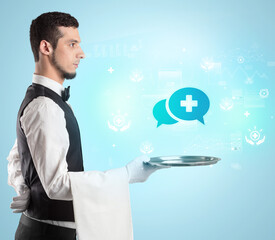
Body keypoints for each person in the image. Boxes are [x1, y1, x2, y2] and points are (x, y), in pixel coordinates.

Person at [7, 11, 168, 240]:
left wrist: (23, 187)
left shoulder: (47, 101)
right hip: (50, 234)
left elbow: (18, 154)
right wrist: (127, 175)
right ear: (46, 47)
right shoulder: (44, 106)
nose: (81, 53)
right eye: (72, 44)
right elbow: (55, 185)